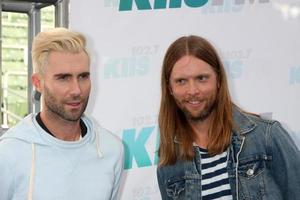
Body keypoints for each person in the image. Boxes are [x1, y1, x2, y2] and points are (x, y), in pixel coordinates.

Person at [156, 35, 300, 200]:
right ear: (170, 88)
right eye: (181, 81)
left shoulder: (266, 137)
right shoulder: (168, 163)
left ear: (218, 80)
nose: (193, 90)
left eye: (201, 78)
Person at [0, 28, 124, 200]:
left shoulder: (111, 149)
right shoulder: (8, 153)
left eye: (83, 76)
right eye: (63, 78)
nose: (76, 90)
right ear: (38, 82)